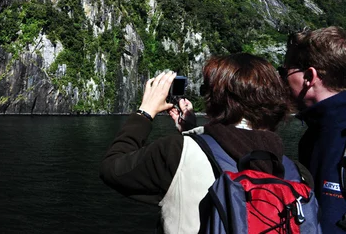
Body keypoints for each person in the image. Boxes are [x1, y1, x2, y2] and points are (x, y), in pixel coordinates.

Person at [100, 53, 313, 233]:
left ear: (214, 101)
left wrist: (144, 112)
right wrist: (194, 132)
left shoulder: (175, 152)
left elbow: (113, 169)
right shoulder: (299, 174)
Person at [282, 26, 346, 233]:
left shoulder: (326, 133)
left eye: (285, 72)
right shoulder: (316, 131)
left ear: (309, 77)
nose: (282, 80)